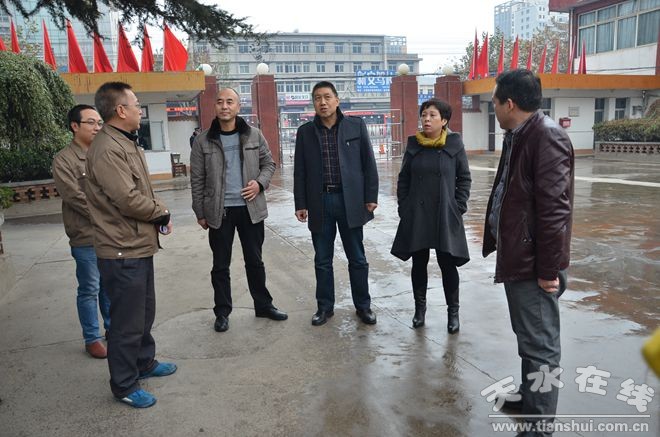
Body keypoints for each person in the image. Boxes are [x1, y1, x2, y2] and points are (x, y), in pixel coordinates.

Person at [484, 69, 574, 436]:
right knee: (529, 339)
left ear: (509, 103)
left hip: (534, 264)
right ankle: (529, 397)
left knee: (541, 348)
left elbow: (554, 211)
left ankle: (539, 427)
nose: (492, 107)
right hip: (519, 257)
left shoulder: (546, 136)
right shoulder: (519, 135)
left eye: (494, 101)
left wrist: (548, 271)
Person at [85, 81, 177, 409]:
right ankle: (124, 384)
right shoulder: (108, 148)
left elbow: (140, 191)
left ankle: (144, 362)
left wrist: (156, 215)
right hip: (121, 247)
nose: (140, 110)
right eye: (136, 104)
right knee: (126, 321)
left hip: (136, 244)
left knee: (144, 312)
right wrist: (161, 212)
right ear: (121, 110)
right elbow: (126, 198)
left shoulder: (125, 141)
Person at [190, 87, 287, 333]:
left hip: (250, 209)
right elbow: (197, 179)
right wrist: (200, 212)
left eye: (229, 102)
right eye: (220, 102)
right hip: (219, 211)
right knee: (220, 265)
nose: (224, 106)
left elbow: (269, 164)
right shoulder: (203, 140)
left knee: (255, 261)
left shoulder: (254, 135)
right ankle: (222, 312)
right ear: (215, 106)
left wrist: (259, 184)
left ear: (238, 106)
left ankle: (263, 305)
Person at [294, 81, 379, 326]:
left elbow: (368, 163)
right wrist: (301, 203)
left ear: (337, 100)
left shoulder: (355, 126)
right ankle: (324, 308)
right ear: (313, 103)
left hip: (350, 201)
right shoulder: (305, 132)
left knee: (357, 258)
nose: (323, 102)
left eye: (327, 97)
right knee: (322, 260)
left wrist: (370, 197)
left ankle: (363, 306)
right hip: (320, 202)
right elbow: (300, 171)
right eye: (317, 98)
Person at [391, 99, 471, 333]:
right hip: (418, 213)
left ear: (444, 120)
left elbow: (464, 178)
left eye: (432, 115)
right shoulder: (414, 145)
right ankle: (420, 310)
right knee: (419, 263)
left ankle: (453, 313)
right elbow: (404, 179)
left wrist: (458, 206)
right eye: (424, 115)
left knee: (447, 264)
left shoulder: (454, 145)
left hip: (444, 214)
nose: (426, 119)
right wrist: (404, 207)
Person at [52, 104, 111, 359]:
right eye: (91, 122)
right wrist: (107, 215)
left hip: (109, 234)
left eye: (99, 123)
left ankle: (112, 329)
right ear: (75, 126)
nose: (97, 127)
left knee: (108, 286)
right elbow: (74, 197)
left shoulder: (104, 153)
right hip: (85, 235)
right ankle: (92, 338)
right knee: (90, 288)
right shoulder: (63, 160)